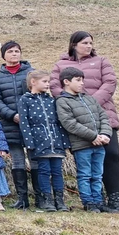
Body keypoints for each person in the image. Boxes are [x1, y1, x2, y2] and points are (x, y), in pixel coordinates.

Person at [50, 31, 119, 212]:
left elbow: (110, 83)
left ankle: (115, 200)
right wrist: (78, 105)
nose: (89, 46)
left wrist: (90, 103)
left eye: (91, 43)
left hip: (103, 115)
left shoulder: (101, 61)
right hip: (78, 121)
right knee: (87, 164)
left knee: (112, 156)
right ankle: (93, 201)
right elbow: (55, 87)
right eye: (85, 43)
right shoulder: (61, 64)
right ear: (74, 44)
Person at [55, 67, 112, 213]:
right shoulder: (62, 101)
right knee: (85, 174)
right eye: (78, 80)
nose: (82, 83)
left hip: (99, 144)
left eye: (82, 80)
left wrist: (105, 134)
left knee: (97, 174)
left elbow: (103, 116)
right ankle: (89, 202)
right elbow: (70, 123)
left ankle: (99, 201)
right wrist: (92, 136)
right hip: (82, 146)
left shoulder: (89, 98)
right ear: (66, 82)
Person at [0, 41, 37, 209]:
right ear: (4, 55)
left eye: (17, 51)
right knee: (17, 162)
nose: (14, 54)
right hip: (10, 124)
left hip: (32, 125)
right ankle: (22, 199)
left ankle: (40, 198)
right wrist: (12, 115)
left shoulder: (31, 73)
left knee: (35, 161)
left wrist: (26, 116)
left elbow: (37, 95)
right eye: (10, 51)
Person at [18, 71, 71, 212]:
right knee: (44, 171)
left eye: (48, 82)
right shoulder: (25, 99)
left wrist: (64, 141)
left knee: (57, 171)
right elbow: (24, 123)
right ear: (33, 82)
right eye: (45, 81)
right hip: (39, 141)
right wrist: (29, 143)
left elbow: (59, 121)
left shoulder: (51, 99)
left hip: (56, 140)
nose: (48, 84)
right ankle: (47, 199)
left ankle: (59, 201)